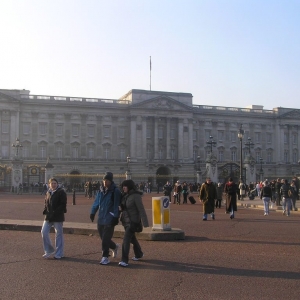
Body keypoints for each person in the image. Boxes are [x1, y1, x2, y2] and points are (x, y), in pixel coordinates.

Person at [90, 172, 121, 265]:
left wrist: (116, 217)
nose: (105, 182)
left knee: (105, 238)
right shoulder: (100, 190)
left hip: (110, 217)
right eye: (104, 180)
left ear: (110, 181)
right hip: (101, 217)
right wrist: (92, 212)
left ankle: (105, 257)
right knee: (103, 237)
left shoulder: (115, 191)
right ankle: (114, 247)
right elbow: (96, 202)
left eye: (107, 180)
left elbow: (116, 205)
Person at [118, 179, 149, 267]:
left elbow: (141, 209)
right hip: (125, 220)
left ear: (129, 187)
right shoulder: (124, 195)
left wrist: (145, 223)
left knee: (126, 239)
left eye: (125, 186)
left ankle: (124, 260)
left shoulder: (136, 196)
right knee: (133, 239)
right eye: (123, 186)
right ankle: (139, 254)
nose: (123, 188)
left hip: (133, 221)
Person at [41, 177, 67, 259]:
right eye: (52, 183)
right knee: (44, 232)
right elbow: (46, 203)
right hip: (48, 216)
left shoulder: (61, 192)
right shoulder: (48, 192)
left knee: (58, 234)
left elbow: (63, 204)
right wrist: (45, 210)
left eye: (55, 183)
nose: (53, 185)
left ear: (57, 184)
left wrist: (55, 212)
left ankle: (59, 253)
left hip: (57, 216)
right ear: (49, 184)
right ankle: (49, 250)